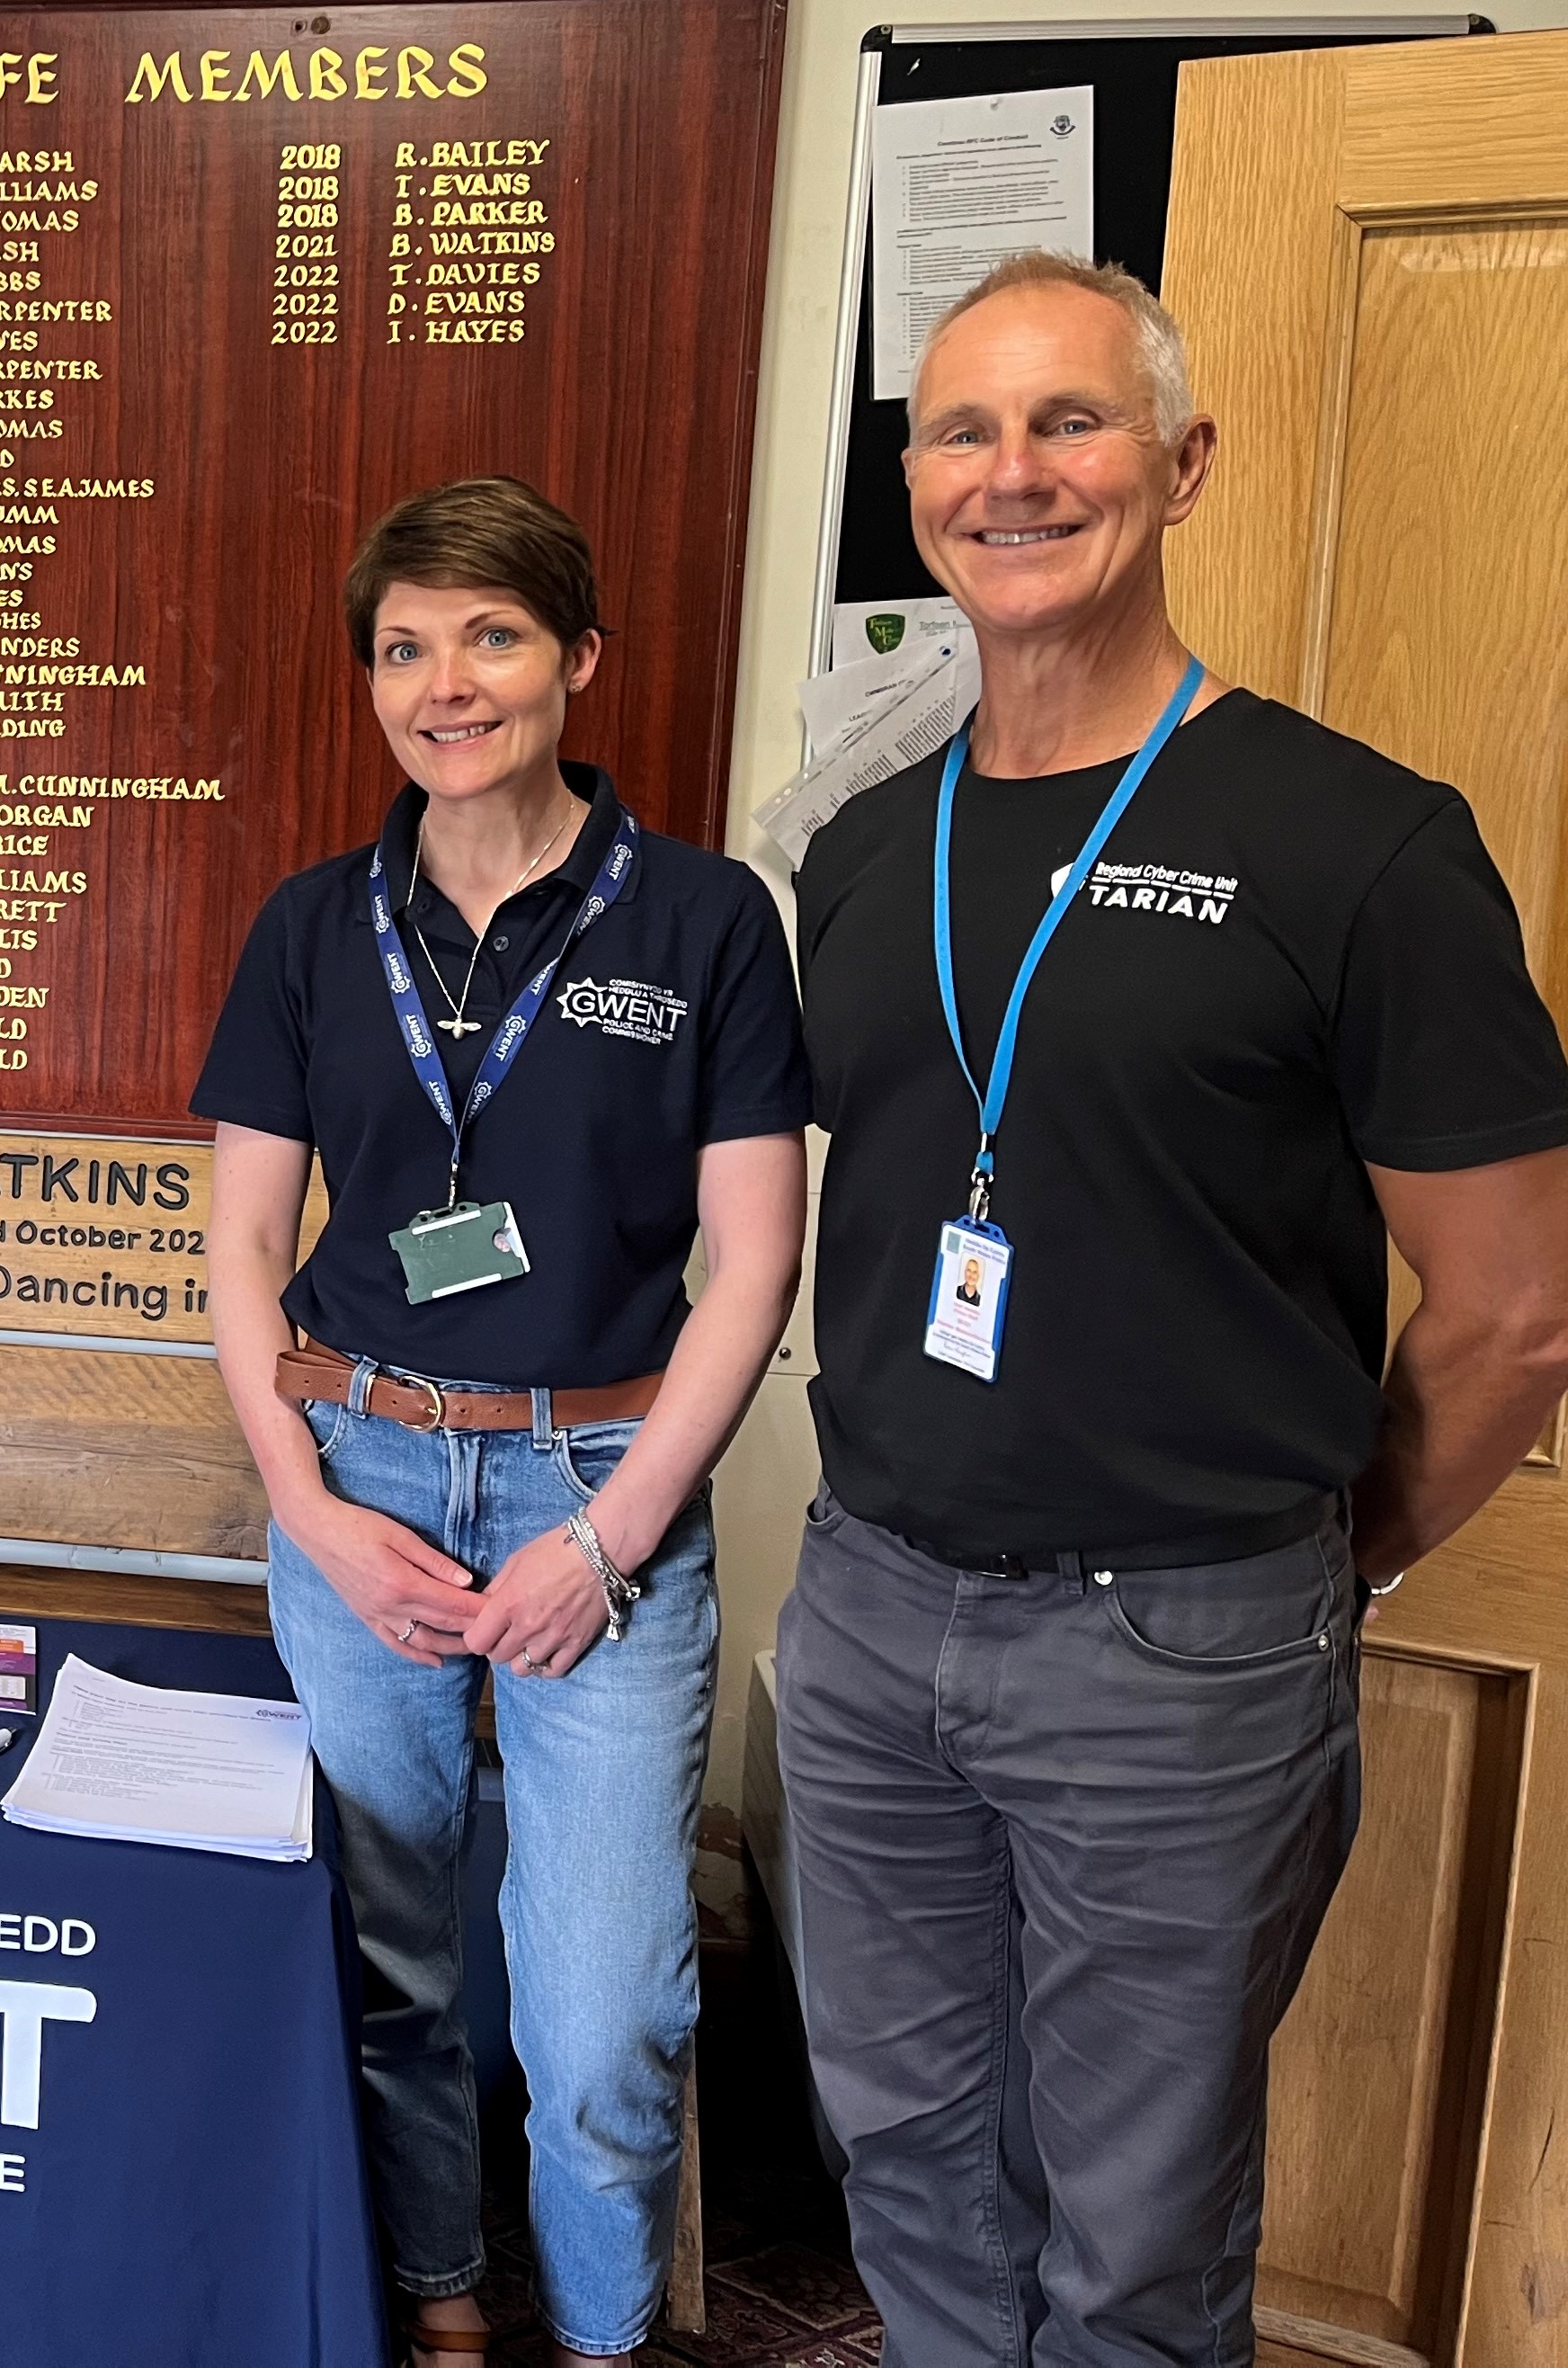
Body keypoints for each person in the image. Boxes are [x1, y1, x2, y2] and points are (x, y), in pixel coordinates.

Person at [780, 250, 1568, 2368]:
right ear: (916, 480)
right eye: (962, 429)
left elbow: (1515, 1316)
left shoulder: (1361, 847)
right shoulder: (860, 850)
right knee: (915, 2174)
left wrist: (1338, 1554)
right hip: (865, 1617)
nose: (1011, 474)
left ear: (1183, 461)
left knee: (1134, 2242)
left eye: (1071, 421)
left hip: (1181, 1642)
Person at [196, 477, 809, 2368]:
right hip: (360, 1474)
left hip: (598, 1496)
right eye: (402, 646)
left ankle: (607, 2335)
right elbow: (237, 1241)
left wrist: (606, 1540)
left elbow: (755, 1264)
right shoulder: (313, 931)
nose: (441, 683)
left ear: (580, 661)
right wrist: (305, 1502)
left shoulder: (705, 922)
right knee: (386, 1954)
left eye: (491, 636)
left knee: (607, 2000)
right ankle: (443, 2298)